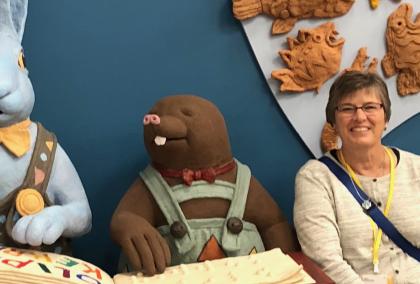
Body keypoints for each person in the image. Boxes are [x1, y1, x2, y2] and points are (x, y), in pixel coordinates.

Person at [294, 71, 420, 284]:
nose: (360, 117)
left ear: (386, 117)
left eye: (370, 107)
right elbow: (326, 261)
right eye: (347, 108)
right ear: (333, 122)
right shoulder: (315, 178)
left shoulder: (416, 168)